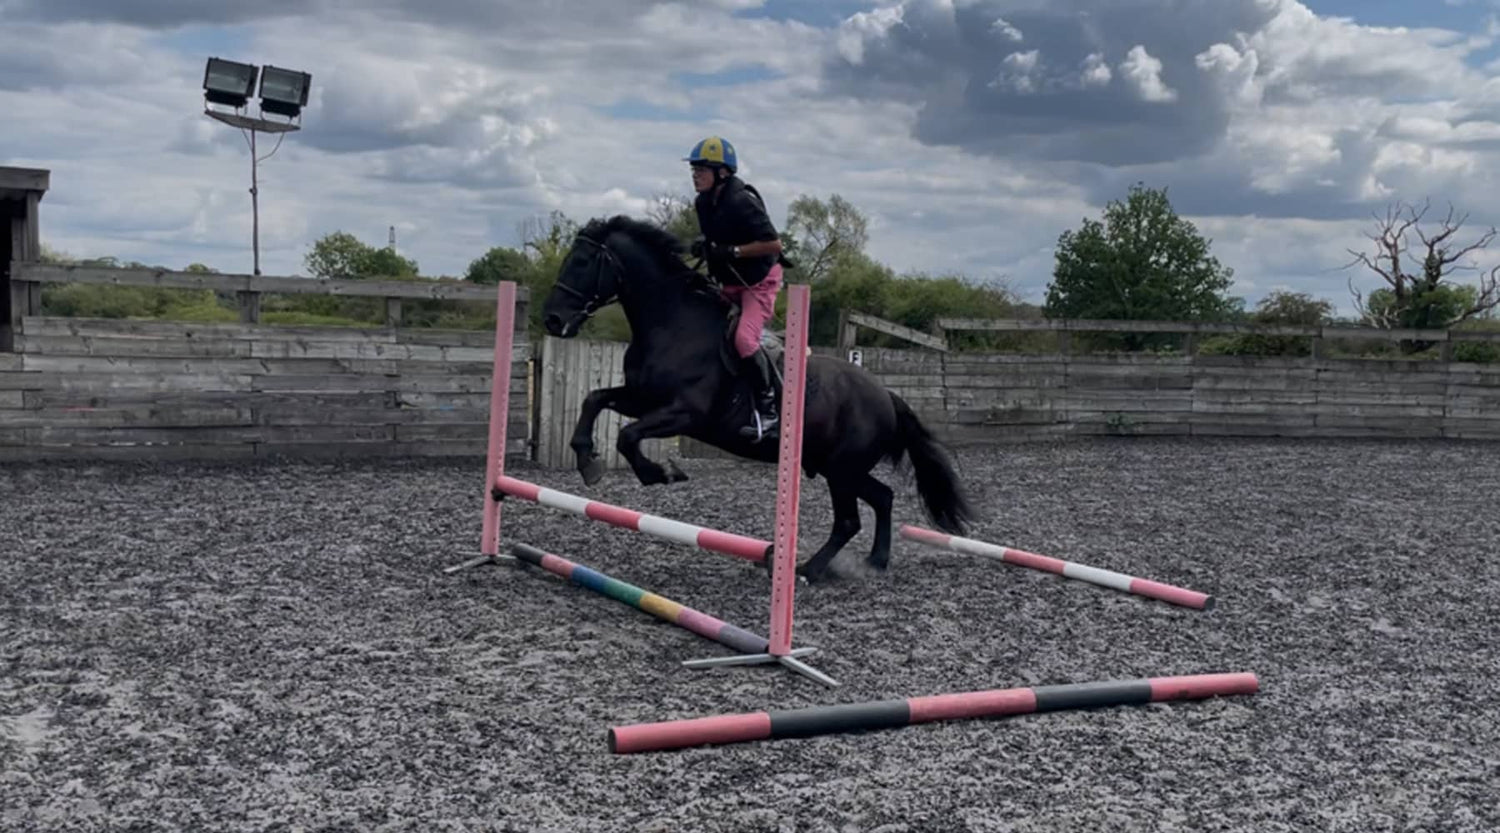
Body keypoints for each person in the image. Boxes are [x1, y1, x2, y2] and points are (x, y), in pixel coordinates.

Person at [685, 135, 785, 442]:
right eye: (694, 170)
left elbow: (774, 244)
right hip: (729, 283)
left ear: (722, 172)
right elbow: (717, 239)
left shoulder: (742, 200)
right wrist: (705, 246)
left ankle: (769, 410)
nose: (695, 175)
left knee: (743, 339)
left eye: (702, 169)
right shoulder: (703, 202)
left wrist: (732, 252)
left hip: (759, 283)